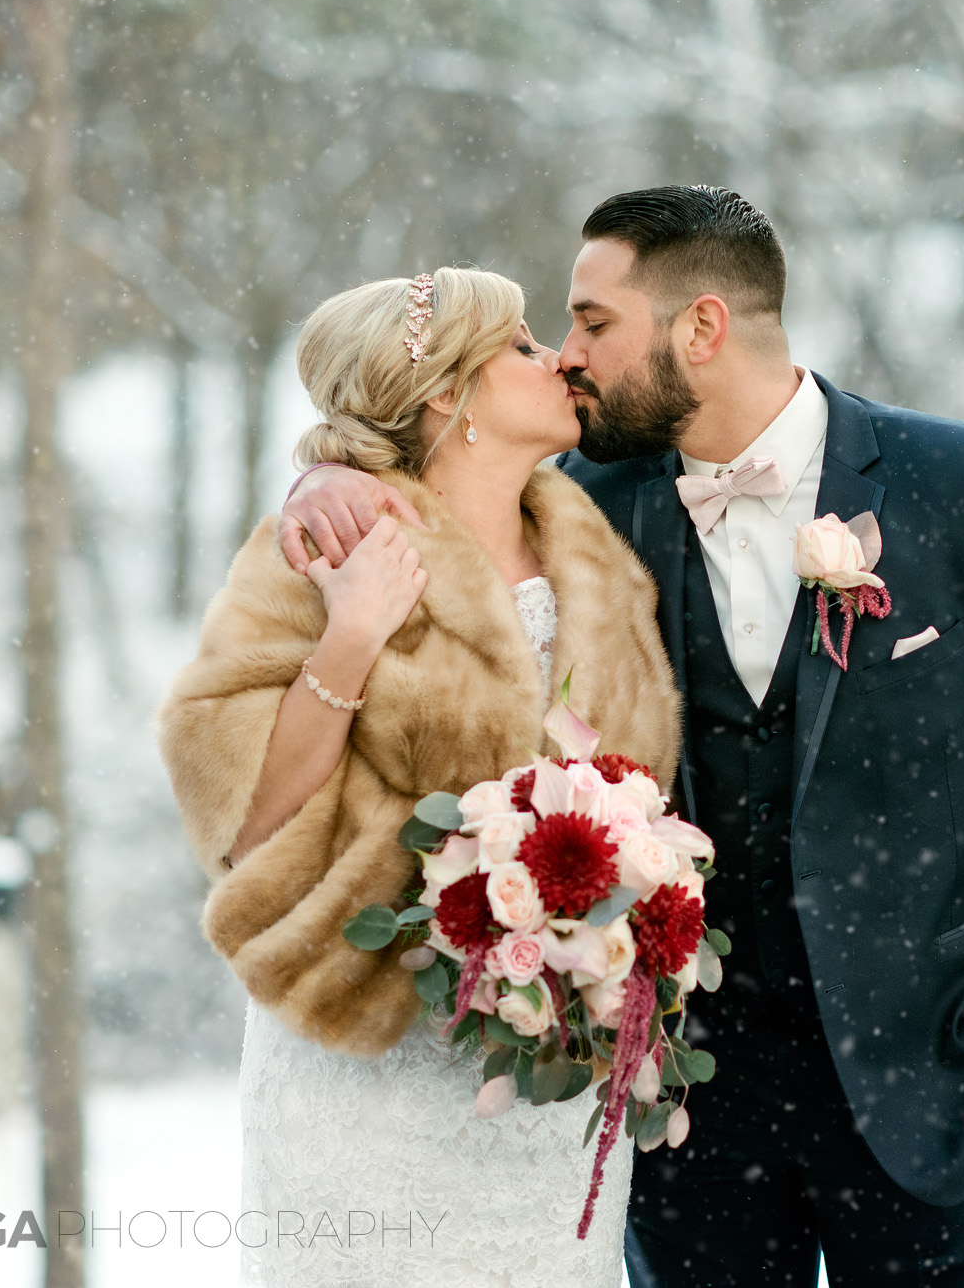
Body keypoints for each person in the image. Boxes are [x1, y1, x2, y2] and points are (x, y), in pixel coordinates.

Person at [281, 187, 964, 1287]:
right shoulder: (578, 504)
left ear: (700, 327)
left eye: (593, 323)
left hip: (930, 1070)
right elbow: (428, 469)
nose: (567, 356)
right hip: (682, 1096)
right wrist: (326, 473)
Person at [158, 265, 683, 1287]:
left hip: (553, 1090)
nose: (557, 359)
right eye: (522, 345)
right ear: (447, 390)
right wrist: (350, 635)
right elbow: (246, 825)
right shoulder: (329, 538)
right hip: (369, 1072)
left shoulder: (599, 553)